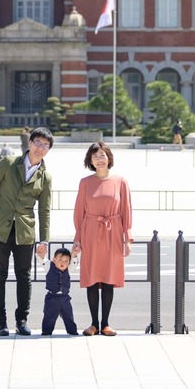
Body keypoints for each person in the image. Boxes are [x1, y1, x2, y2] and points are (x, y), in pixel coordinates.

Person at [0, 124, 54, 337]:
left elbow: (44, 210)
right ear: (29, 143)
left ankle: (21, 321)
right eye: (37, 142)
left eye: (45, 145)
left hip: (25, 231)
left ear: (49, 150)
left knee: (24, 276)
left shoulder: (45, 177)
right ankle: (0, 321)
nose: (40, 147)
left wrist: (44, 240)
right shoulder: (8, 163)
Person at [72, 141, 133, 337]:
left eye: (102, 155)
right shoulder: (85, 183)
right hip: (90, 232)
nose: (99, 159)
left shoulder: (121, 182)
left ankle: (105, 323)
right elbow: (79, 212)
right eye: (95, 156)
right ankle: (93, 324)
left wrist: (127, 238)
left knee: (108, 278)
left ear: (109, 158)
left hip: (113, 232)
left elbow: (126, 211)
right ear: (90, 160)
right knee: (91, 278)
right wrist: (77, 239)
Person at [40, 248, 78, 336]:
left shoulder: (68, 269)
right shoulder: (49, 266)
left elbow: (74, 263)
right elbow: (43, 261)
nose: (63, 263)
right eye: (60, 260)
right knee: (49, 316)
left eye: (66, 261)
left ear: (69, 263)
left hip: (65, 297)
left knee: (68, 315)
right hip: (52, 297)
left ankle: (72, 331)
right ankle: (46, 331)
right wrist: (41, 256)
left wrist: (75, 256)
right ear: (54, 259)